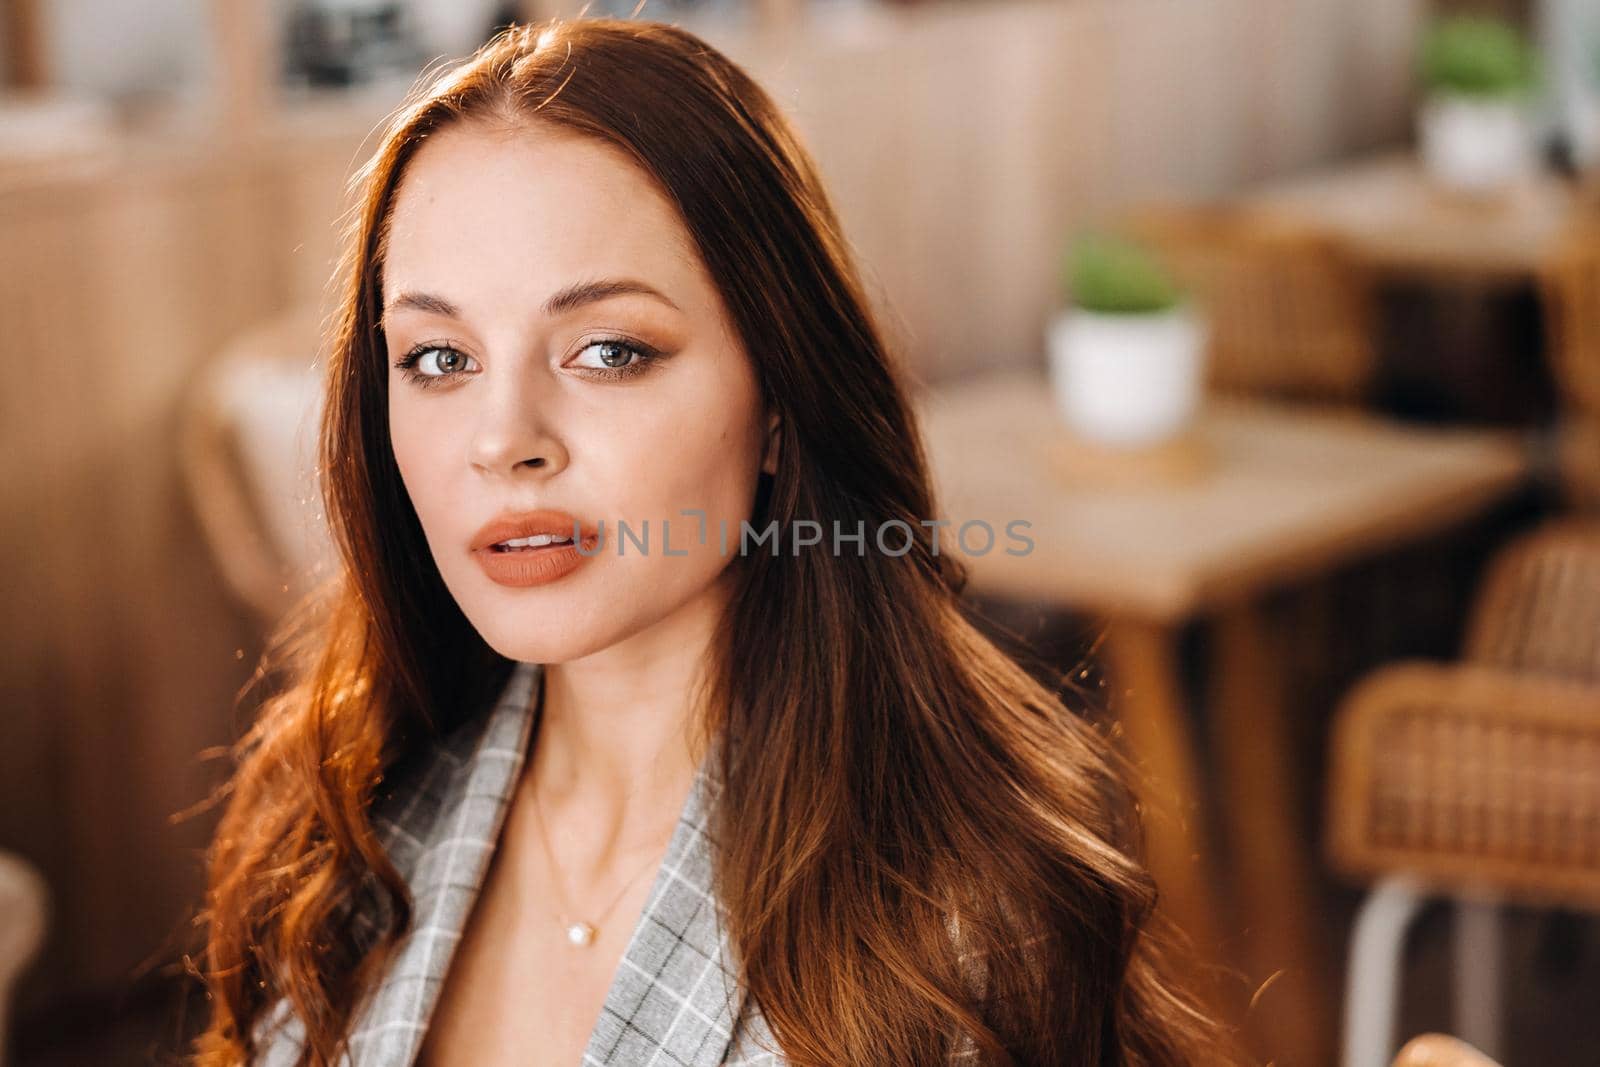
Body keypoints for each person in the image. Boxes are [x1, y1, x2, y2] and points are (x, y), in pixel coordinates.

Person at [190, 17, 1236, 1066]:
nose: (504, 439)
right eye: (437, 358)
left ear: (780, 398)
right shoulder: (338, 827)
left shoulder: (954, 929)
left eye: (608, 350)